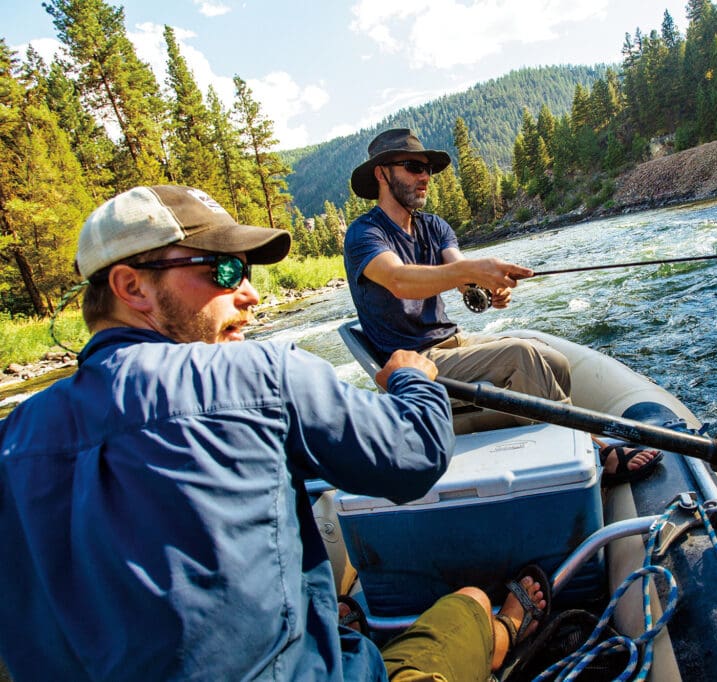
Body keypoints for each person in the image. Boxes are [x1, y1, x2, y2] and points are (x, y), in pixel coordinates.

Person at [0, 184, 545, 681]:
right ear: (131, 286)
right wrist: (412, 380)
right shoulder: (257, 375)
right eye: (225, 271)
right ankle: (505, 632)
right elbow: (416, 455)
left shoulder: (12, 440)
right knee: (468, 603)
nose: (251, 294)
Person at [344, 129, 661, 482]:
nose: (424, 178)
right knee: (520, 356)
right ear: (381, 173)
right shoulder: (364, 234)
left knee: (552, 359)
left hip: (453, 343)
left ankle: (553, 447)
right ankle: (596, 451)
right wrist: (471, 270)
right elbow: (399, 279)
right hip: (414, 361)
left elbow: (458, 271)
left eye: (428, 170)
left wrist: (487, 286)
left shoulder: (433, 226)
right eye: (412, 167)